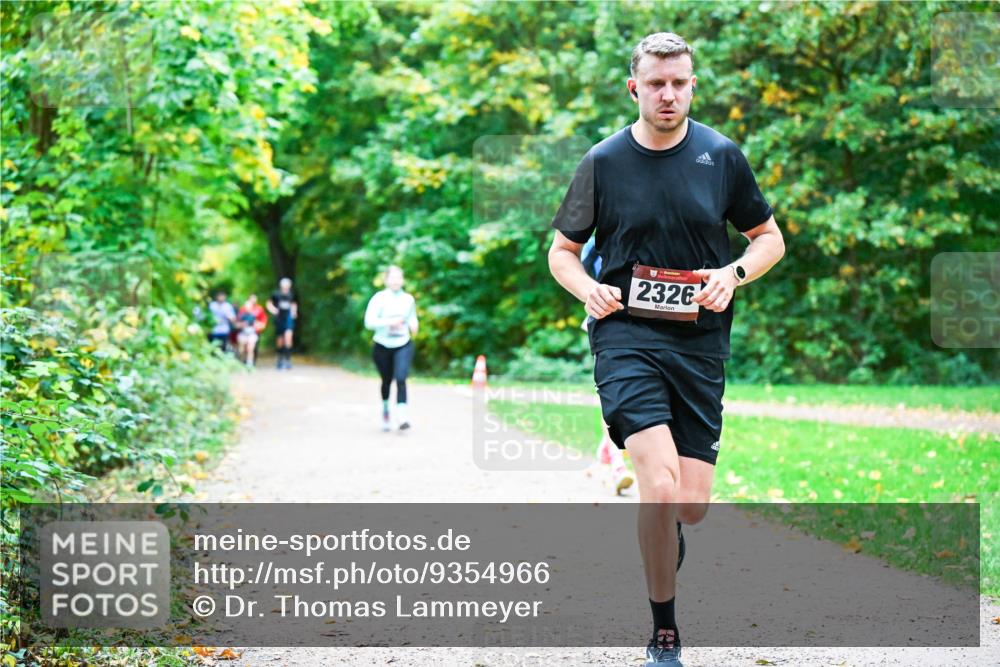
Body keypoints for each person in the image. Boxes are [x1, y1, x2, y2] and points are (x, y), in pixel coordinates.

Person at [547, 33, 785, 667]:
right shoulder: (603, 161)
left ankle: (665, 528)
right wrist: (590, 290)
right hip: (626, 337)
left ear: (692, 86)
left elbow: (769, 239)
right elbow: (562, 254)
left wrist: (731, 276)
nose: (668, 94)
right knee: (657, 483)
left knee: (691, 505)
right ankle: (665, 633)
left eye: (679, 83)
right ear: (635, 87)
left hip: (700, 343)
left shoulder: (721, 156)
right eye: (656, 83)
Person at [582, 237, 634, 496]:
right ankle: (617, 466)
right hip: (608, 321)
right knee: (612, 397)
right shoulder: (599, 236)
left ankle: (606, 452)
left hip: (651, 325)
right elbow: (577, 264)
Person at [363, 265, 418, 431]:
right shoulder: (378, 298)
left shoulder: (408, 299)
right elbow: (369, 322)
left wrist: (414, 325)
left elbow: (412, 318)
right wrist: (389, 322)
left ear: (403, 280)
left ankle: (402, 416)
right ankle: (386, 409)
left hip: (403, 343)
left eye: (399, 278)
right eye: (392, 278)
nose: (396, 281)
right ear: (386, 280)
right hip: (382, 345)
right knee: (386, 381)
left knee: (401, 378)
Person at [266, 278, 298, 370]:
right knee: (280, 339)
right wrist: (273, 310)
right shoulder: (276, 294)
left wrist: (294, 312)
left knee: (288, 337)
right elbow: (269, 303)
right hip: (279, 318)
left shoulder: (291, 294)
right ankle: (280, 359)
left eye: (287, 286)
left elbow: (294, 304)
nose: (286, 288)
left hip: (288, 318)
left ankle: (288, 359)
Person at [236, 294, 267, 367]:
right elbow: (237, 322)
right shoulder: (242, 310)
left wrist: (259, 326)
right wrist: (242, 324)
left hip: (254, 332)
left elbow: (263, 320)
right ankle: (242, 361)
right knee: (242, 349)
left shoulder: (259, 309)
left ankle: (250, 363)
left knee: (251, 348)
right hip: (243, 333)